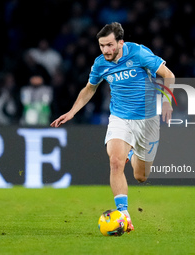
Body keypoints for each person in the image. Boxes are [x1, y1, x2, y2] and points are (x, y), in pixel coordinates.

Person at [51, 22, 175, 232]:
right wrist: (72, 112)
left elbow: (169, 75)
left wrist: (166, 101)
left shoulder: (138, 53)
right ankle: (124, 215)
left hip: (147, 121)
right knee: (116, 161)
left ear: (120, 43)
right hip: (120, 117)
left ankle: (133, 152)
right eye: (102, 46)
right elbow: (90, 88)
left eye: (109, 45)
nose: (106, 50)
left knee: (140, 176)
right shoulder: (100, 64)